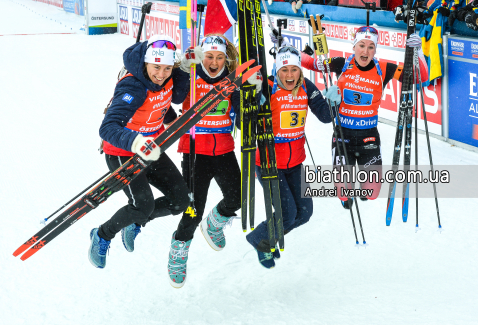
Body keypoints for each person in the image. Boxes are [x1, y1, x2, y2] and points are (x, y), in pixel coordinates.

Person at [89, 35, 202, 269]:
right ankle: (102, 234)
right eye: (156, 67)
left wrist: (185, 69)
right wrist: (136, 142)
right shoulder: (133, 86)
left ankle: (136, 220)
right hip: (122, 151)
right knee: (143, 204)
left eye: (167, 68)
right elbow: (107, 127)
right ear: (146, 64)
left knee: (181, 201)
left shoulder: (168, 77)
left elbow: (176, 96)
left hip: (150, 148)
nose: (161, 74)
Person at [168, 34, 262, 288]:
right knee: (192, 210)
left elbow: (243, 117)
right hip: (195, 152)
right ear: (202, 56)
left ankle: (215, 222)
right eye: (209, 56)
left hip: (223, 150)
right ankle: (179, 247)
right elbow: (174, 97)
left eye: (219, 57)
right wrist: (182, 66)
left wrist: (255, 92)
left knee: (238, 196)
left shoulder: (231, 82)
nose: (214, 62)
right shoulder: (191, 77)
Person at [299, 26, 429, 208]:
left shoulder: (385, 68)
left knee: (372, 193)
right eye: (361, 45)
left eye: (370, 47)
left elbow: (420, 76)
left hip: (369, 137)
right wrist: (290, 48)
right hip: (343, 135)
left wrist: (418, 52)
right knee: (343, 193)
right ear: (354, 46)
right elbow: (310, 64)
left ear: (375, 50)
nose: (365, 51)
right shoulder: (341, 63)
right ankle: (347, 194)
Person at [245, 45, 331, 269]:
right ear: (277, 69)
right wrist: (253, 100)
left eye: (294, 69)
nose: (290, 75)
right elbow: (246, 121)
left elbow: (324, 115)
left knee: (304, 213)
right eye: (285, 70)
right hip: (268, 162)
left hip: (295, 163)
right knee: (287, 213)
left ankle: (267, 238)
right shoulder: (268, 86)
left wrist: (334, 102)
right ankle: (260, 240)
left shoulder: (305, 85)